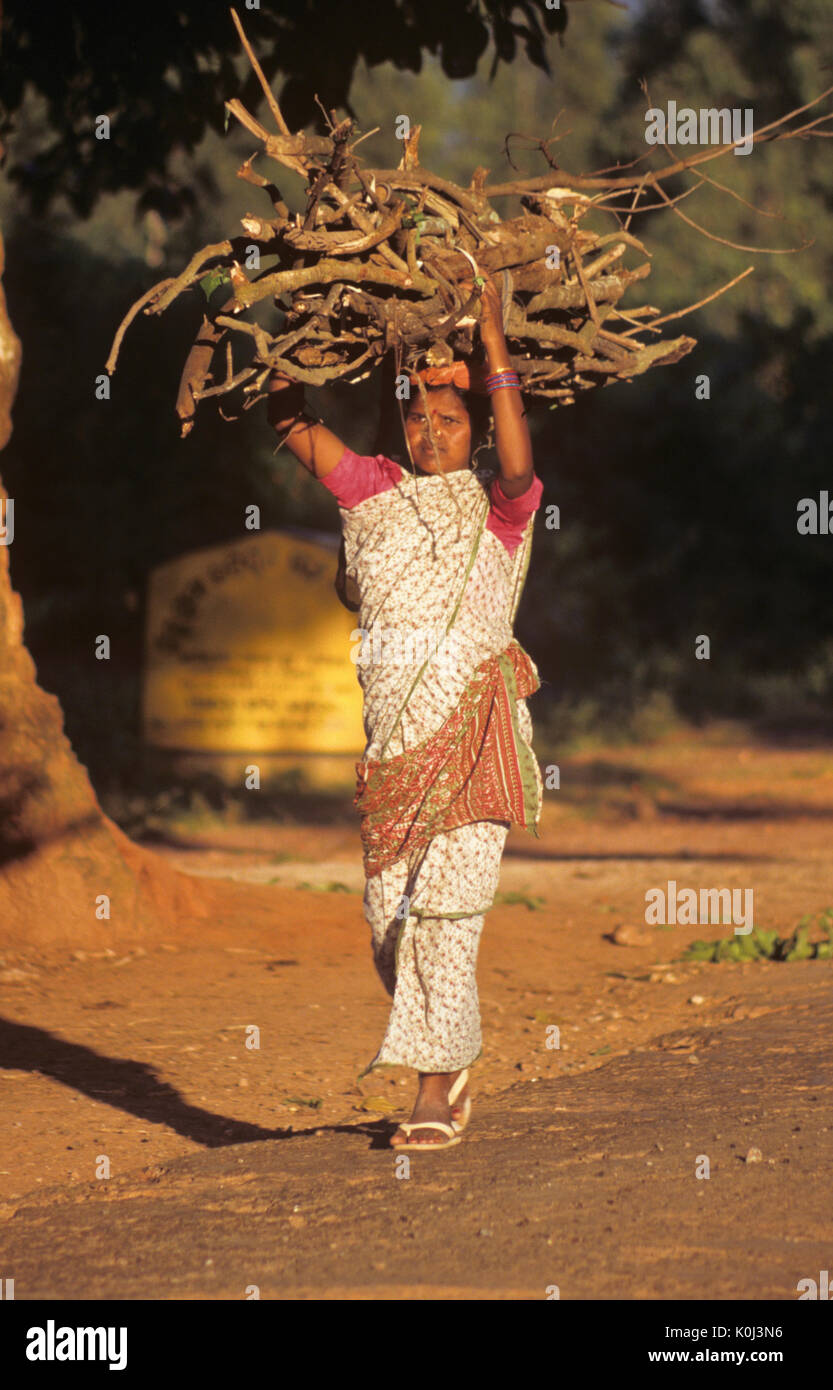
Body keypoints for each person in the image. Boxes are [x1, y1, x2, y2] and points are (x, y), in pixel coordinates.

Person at [266, 273, 543, 1151]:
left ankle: (427, 1093)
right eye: (419, 418)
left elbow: (519, 464)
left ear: (473, 431)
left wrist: (492, 349)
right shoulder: (367, 493)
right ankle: (451, 1050)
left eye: (450, 421)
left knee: (443, 918)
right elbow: (290, 426)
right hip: (390, 750)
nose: (432, 432)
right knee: (389, 925)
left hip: (474, 735)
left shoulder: (501, 510)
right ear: (400, 424)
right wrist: (280, 332)